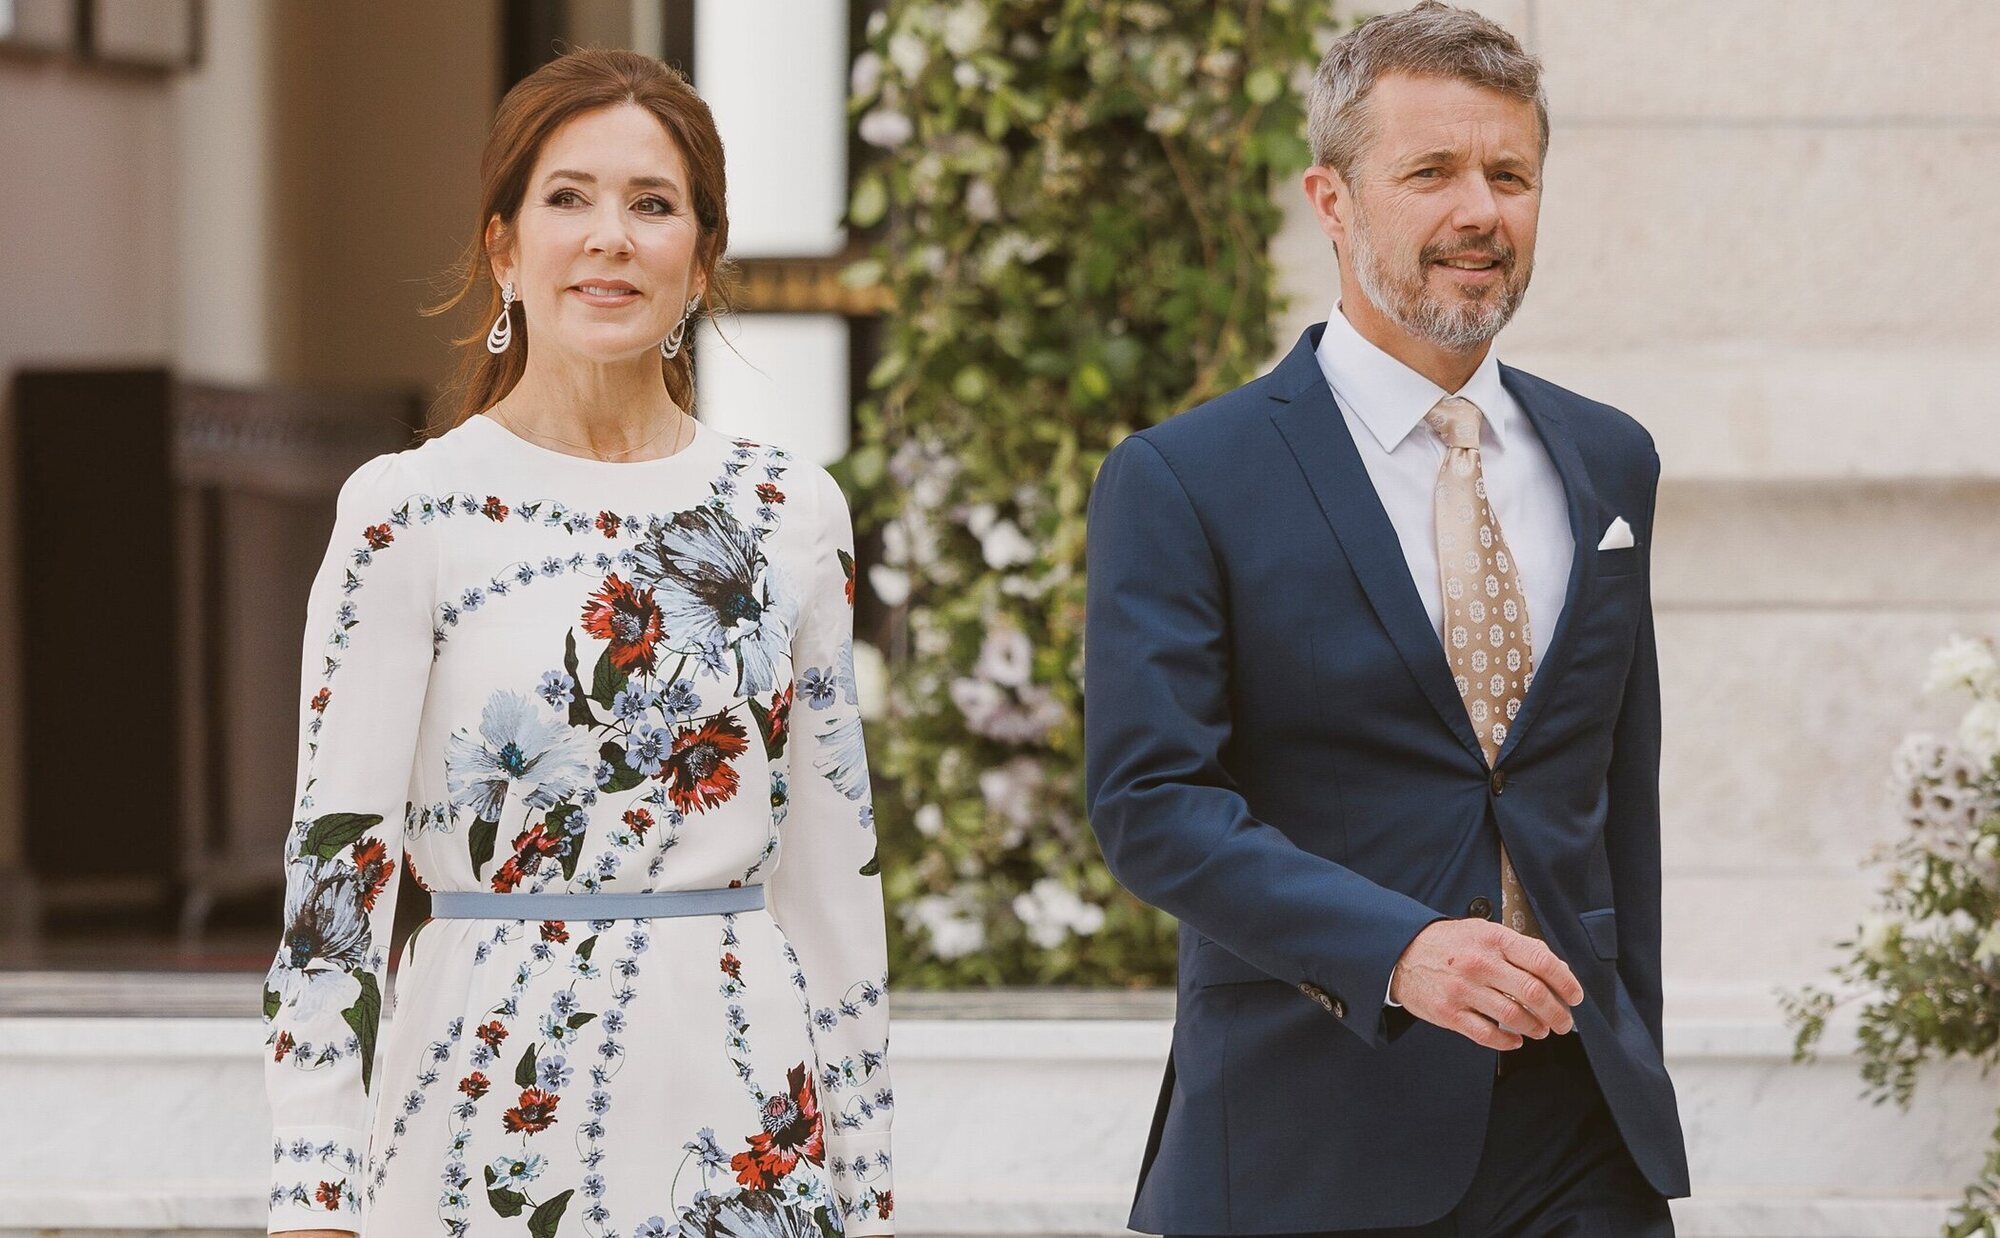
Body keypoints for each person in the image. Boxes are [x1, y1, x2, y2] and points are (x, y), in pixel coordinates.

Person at [262, 49, 893, 1237]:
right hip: (477, 1108)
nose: (610, 235)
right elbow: (335, 876)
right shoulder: (407, 511)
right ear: (503, 248)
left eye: (652, 205)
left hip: (742, 1110)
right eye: (568, 197)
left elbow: (830, 877)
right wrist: (312, 1193)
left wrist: (866, 1196)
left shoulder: (788, 510)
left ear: (700, 259)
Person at [1083, 4, 1688, 1235]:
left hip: (1579, 1131)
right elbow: (1152, 804)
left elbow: (1615, 791)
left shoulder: (1608, 459)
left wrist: (1636, 1055)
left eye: (1508, 174)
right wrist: (1401, 947)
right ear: (1332, 199)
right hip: (1310, 1130)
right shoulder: (1184, 475)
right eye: (1430, 172)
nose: (1479, 211)